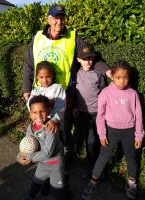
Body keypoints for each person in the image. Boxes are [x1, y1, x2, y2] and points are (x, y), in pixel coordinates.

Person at [22, 3, 87, 155]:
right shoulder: (37, 37)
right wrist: (26, 88)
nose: (59, 22)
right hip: (41, 92)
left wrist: (106, 71)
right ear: (49, 19)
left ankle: (64, 160)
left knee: (63, 129)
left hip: (63, 94)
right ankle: (45, 158)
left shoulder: (73, 36)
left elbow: (87, 56)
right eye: (56, 18)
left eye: (62, 18)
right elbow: (28, 65)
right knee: (42, 127)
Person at [82, 60, 145, 200]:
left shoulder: (133, 94)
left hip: (129, 133)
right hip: (111, 132)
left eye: (125, 77)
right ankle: (93, 182)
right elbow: (100, 116)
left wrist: (139, 135)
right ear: (112, 77)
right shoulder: (105, 93)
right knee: (103, 157)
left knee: (132, 159)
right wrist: (102, 134)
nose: (122, 81)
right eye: (118, 77)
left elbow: (139, 115)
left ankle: (132, 184)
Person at [73, 45, 111, 176]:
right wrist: (74, 107)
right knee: (89, 141)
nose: (88, 61)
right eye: (84, 59)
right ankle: (91, 165)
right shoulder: (76, 74)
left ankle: (101, 168)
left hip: (98, 114)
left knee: (99, 140)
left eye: (90, 58)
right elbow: (73, 93)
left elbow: (104, 91)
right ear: (78, 59)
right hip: (83, 114)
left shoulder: (97, 74)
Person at [18, 95, 64, 200]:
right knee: (36, 182)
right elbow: (27, 145)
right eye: (34, 112)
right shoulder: (31, 127)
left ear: (48, 111)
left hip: (55, 164)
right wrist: (20, 156)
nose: (38, 115)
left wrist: (29, 158)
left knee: (57, 191)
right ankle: (30, 196)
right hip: (42, 164)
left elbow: (48, 153)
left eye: (42, 111)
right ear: (30, 114)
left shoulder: (51, 128)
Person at [27, 60, 66, 133]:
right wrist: (36, 117)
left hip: (54, 125)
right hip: (39, 124)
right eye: (41, 77)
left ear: (52, 76)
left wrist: (54, 120)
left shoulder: (57, 88)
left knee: (54, 143)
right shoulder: (35, 91)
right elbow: (30, 106)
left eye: (48, 77)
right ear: (37, 77)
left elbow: (61, 107)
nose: (45, 80)